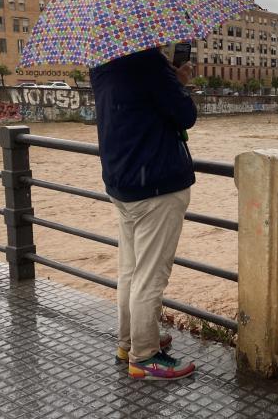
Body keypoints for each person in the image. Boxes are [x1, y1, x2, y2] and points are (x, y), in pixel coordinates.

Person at [90, 46, 197, 380]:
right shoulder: (149, 62)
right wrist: (179, 80)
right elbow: (185, 115)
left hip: (123, 182)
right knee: (150, 277)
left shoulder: (101, 61)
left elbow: (134, 108)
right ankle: (145, 356)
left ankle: (129, 342)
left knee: (130, 271)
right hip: (156, 184)